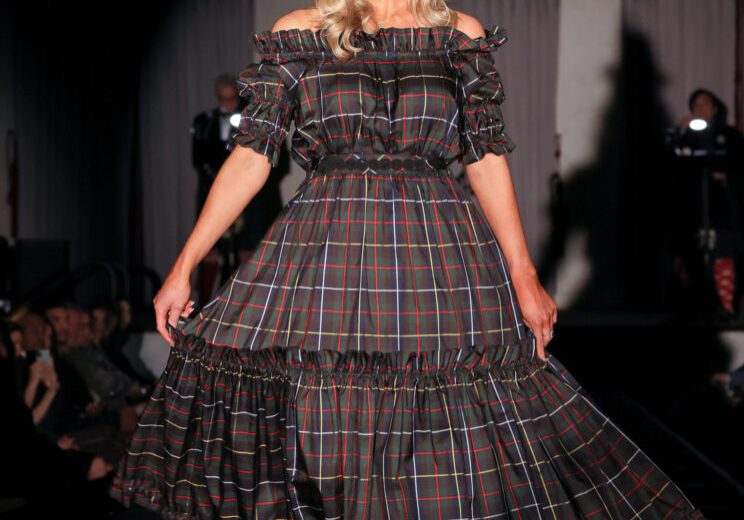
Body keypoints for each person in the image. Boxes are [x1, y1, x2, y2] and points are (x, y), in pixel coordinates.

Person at [108, 2, 707, 518]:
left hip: (436, 254)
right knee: (332, 425)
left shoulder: (457, 35)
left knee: (443, 435)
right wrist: (186, 262)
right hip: (330, 252)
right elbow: (252, 155)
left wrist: (525, 274)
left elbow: (485, 157)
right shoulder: (302, 31)